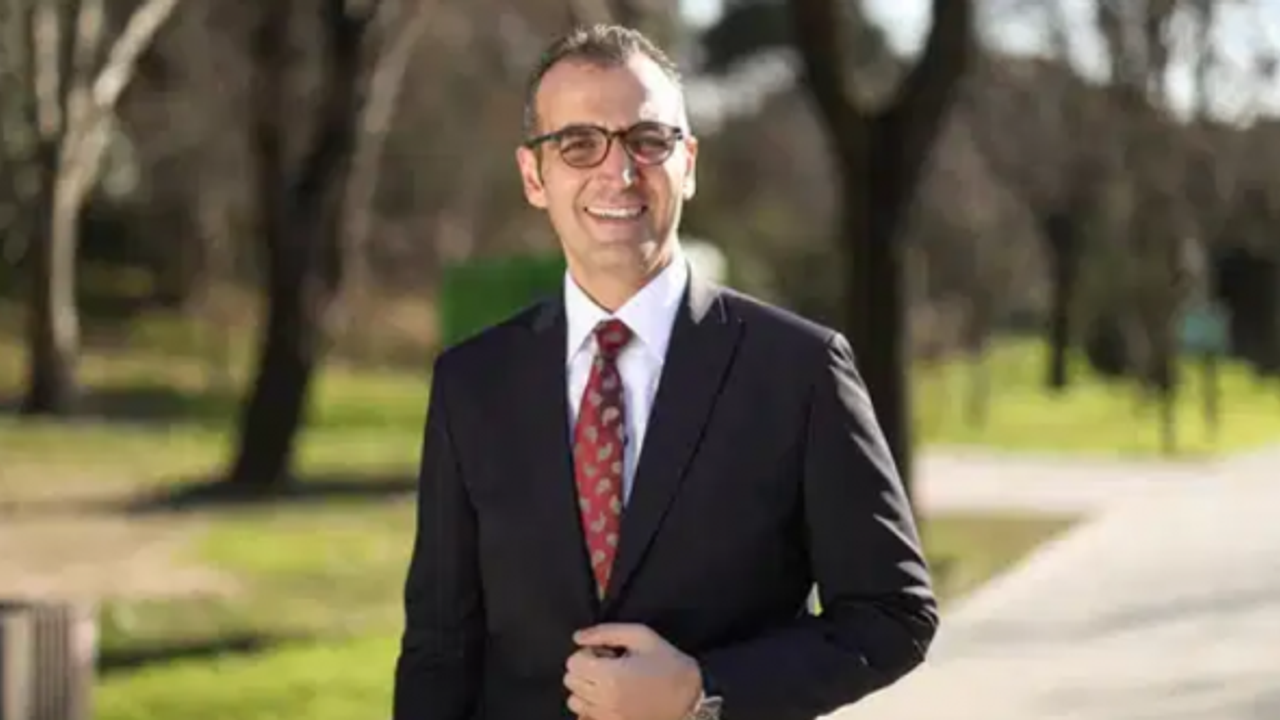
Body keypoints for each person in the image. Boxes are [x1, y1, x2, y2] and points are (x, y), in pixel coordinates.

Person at [392, 23, 936, 720]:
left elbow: (893, 613)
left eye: (648, 141)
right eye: (578, 144)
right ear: (534, 176)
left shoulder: (799, 371)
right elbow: (439, 649)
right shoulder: (472, 384)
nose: (618, 172)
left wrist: (703, 689)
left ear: (689, 163)